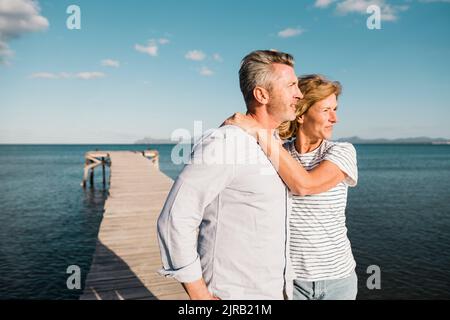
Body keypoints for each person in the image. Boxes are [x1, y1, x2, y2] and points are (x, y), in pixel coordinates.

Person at [156, 50, 303, 299]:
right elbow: (175, 218)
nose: (299, 93)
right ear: (261, 94)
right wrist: (199, 294)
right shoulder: (226, 142)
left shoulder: (275, 145)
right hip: (232, 294)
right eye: (291, 85)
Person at [225, 74, 358, 300]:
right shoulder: (279, 151)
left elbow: (305, 185)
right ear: (301, 114)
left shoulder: (341, 151)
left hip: (337, 281)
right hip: (289, 282)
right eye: (326, 110)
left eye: (335, 109)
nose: (335, 118)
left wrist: (259, 132)